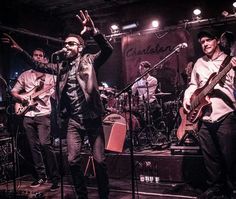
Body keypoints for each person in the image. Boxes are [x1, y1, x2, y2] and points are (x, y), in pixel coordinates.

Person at [2, 10, 113, 199]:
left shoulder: (89, 60)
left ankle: (104, 195)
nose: (66, 46)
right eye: (65, 44)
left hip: (92, 119)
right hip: (73, 122)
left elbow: (108, 50)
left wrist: (95, 32)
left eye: (71, 44)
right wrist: (19, 50)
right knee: (72, 161)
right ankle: (82, 195)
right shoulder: (60, 67)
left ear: (80, 47)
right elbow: (39, 66)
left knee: (100, 161)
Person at [182, 28, 236, 198]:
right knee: (210, 156)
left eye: (208, 40)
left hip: (226, 113)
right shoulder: (199, 63)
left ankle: (233, 188)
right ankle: (215, 186)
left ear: (217, 41)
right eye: (202, 42)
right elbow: (193, 84)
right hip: (205, 116)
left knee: (231, 156)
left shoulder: (230, 61)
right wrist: (188, 96)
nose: (204, 44)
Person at [11, 48, 60, 191]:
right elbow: (14, 91)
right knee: (33, 147)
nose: (37, 57)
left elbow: (56, 96)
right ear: (31, 56)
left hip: (43, 114)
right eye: (35, 55)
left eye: (40, 55)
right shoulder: (25, 75)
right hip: (27, 114)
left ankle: (55, 178)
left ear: (44, 58)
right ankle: (41, 176)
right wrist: (23, 98)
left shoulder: (51, 76)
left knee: (45, 144)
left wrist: (55, 91)